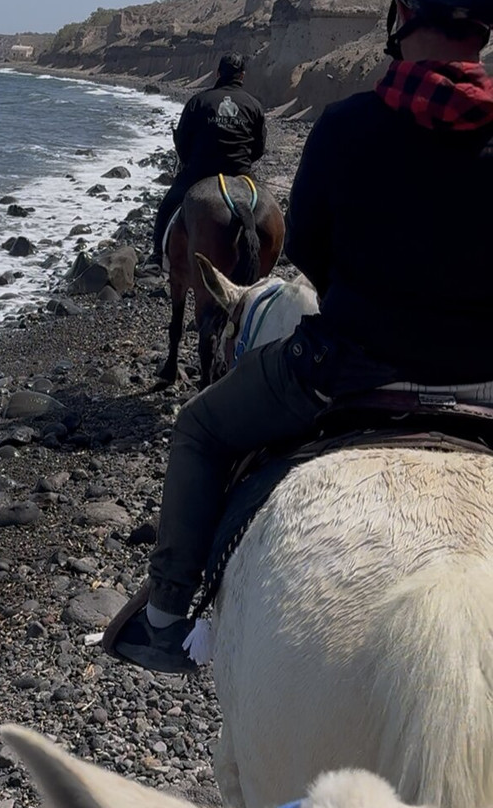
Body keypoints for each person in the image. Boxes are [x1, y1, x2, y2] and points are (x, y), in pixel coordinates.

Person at [107, 0, 493, 673]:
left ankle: (165, 619)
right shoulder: (261, 107)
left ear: (401, 19)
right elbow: (263, 164)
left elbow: (308, 245)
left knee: (200, 427)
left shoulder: (347, 124)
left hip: (347, 367)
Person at [143, 52, 267, 274]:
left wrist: (189, 162)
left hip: (200, 172)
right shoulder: (254, 105)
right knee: (267, 206)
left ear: (218, 73)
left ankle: (157, 256)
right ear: (242, 76)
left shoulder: (198, 101)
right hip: (241, 173)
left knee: (168, 205)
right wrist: (242, 161)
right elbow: (259, 148)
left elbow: (182, 142)